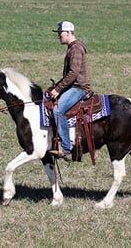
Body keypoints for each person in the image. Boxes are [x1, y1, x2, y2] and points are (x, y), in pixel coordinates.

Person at [49, 21, 91, 161]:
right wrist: (56, 88)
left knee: (57, 111)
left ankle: (66, 148)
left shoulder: (76, 48)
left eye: (60, 33)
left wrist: (58, 89)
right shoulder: (72, 47)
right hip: (72, 86)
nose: (58, 36)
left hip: (79, 88)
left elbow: (73, 73)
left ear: (68, 32)